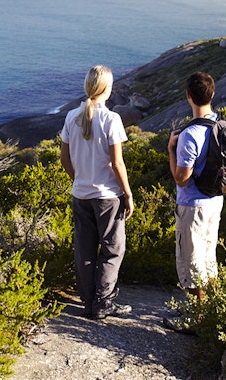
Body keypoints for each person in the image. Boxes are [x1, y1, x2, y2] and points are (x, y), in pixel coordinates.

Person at [60, 65, 134, 320]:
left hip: (80, 194)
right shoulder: (111, 119)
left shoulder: (71, 116)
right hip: (107, 196)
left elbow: (64, 159)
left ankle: (88, 300)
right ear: (107, 89)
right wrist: (128, 193)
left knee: (85, 249)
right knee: (113, 249)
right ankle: (104, 303)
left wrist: (79, 179)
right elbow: (117, 163)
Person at [167, 71, 223, 308]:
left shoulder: (190, 134)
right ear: (212, 94)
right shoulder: (220, 125)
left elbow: (181, 178)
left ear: (188, 96)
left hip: (193, 205)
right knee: (209, 257)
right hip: (215, 201)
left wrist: (171, 149)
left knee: (191, 262)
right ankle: (212, 311)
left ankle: (197, 317)